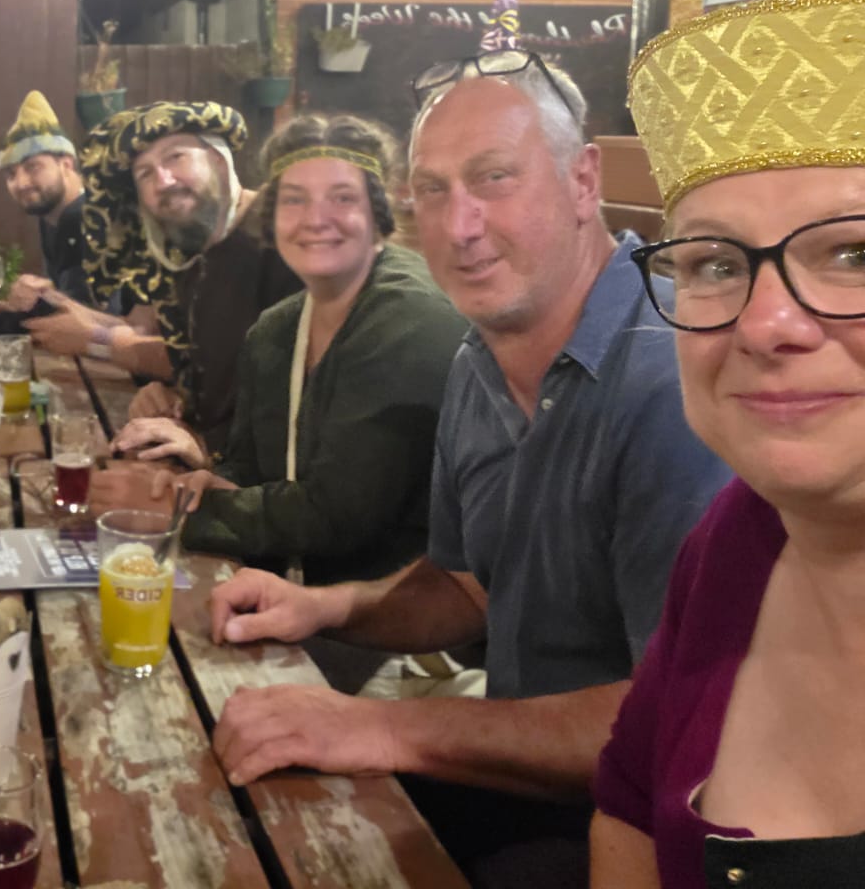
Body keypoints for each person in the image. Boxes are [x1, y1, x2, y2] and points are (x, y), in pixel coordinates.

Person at [208, 52, 729, 885]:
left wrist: (384, 728)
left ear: (584, 181)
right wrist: (324, 607)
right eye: (433, 190)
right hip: (524, 781)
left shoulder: (670, 382)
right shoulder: (477, 361)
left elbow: (681, 721)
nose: (459, 225)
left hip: (648, 832)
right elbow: (467, 588)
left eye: (494, 178)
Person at [591, 0, 865, 886]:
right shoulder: (735, 540)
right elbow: (628, 809)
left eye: (854, 254)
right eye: (714, 262)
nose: (765, 322)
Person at [92, 114, 465, 590]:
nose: (315, 219)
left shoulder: (407, 319)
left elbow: (339, 514)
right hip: (286, 593)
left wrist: (176, 510)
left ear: (379, 212)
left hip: (393, 612)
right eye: (294, 199)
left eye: (342, 198)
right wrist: (208, 482)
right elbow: (249, 466)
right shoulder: (276, 328)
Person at [58, 101, 300, 462]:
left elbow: (296, 407)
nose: (163, 181)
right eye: (145, 174)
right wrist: (174, 396)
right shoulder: (187, 254)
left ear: (218, 161)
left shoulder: (283, 235)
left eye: (176, 157)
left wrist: (203, 448)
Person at [0, 91, 95, 307]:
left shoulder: (88, 216)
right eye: (11, 174)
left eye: (33, 167)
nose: (21, 183)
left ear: (66, 165)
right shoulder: (51, 215)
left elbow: (87, 315)